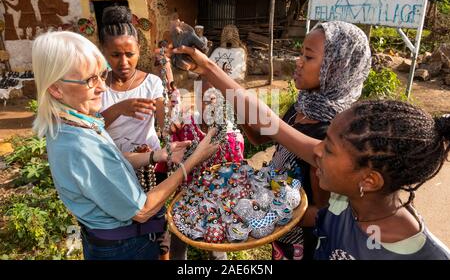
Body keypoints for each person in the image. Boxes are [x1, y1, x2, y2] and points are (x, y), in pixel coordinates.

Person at [171, 24, 450, 259]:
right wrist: (244, 208)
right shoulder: (341, 211)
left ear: (369, 180)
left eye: (326, 149)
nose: (315, 152)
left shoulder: (425, 255)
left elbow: (274, 130)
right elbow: (271, 127)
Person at [32, 30, 218, 260]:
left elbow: (112, 159)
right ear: (56, 88)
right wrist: (192, 161)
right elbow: (142, 210)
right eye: (90, 80)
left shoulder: (74, 124)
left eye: (101, 75)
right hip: (125, 249)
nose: (101, 87)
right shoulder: (80, 145)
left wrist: (156, 156)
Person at [240, 21, 371, 260]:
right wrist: (237, 106)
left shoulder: (333, 132)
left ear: (336, 68)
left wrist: (268, 213)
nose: (298, 62)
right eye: (300, 54)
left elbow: (324, 212)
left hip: (303, 243)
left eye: (308, 57)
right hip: (281, 230)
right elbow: (260, 137)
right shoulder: (303, 105)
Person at [97, 6, 171, 259]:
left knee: (156, 226)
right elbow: (89, 127)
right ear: (103, 52)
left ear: (140, 50)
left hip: (150, 169)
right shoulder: (97, 87)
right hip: (113, 171)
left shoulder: (151, 83)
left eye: (130, 54)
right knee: (123, 228)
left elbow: (165, 124)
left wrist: (171, 114)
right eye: (115, 55)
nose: (124, 62)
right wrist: (119, 108)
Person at [169, 78, 244, 260]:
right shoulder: (185, 126)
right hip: (185, 200)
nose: (210, 104)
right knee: (178, 243)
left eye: (216, 98)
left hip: (218, 206)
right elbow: (171, 155)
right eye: (205, 98)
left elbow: (235, 180)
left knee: (217, 247)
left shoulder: (232, 139)